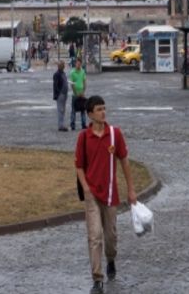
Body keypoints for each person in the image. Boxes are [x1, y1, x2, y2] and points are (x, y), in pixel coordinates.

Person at [75, 95, 137, 294]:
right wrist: (85, 186)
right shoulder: (84, 137)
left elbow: (125, 161)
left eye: (104, 108)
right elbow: (79, 166)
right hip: (92, 194)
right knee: (95, 236)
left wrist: (131, 189)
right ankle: (97, 278)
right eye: (99, 109)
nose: (103, 112)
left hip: (111, 194)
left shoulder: (115, 134)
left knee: (110, 236)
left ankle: (111, 259)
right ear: (90, 114)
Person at [70, 57, 87, 130]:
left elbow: (84, 82)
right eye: (77, 63)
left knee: (83, 110)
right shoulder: (72, 72)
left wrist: (83, 92)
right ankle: (72, 125)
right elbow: (72, 84)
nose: (78, 65)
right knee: (73, 110)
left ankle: (83, 124)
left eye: (80, 64)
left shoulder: (83, 71)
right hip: (75, 94)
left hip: (82, 94)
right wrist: (76, 93)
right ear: (75, 64)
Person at [53, 60, 69, 131]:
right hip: (61, 94)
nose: (63, 66)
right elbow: (55, 85)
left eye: (63, 65)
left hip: (65, 94)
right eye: (62, 65)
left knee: (63, 110)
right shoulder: (57, 74)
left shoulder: (63, 73)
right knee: (60, 110)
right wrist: (59, 93)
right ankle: (60, 125)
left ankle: (62, 124)